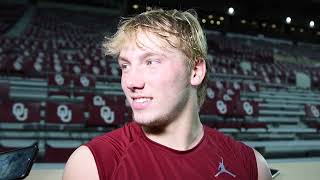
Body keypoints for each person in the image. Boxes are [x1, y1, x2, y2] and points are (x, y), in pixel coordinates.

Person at [63, 9, 272, 180]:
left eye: (151, 62)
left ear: (195, 71)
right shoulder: (91, 166)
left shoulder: (252, 166)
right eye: (125, 66)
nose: (131, 82)